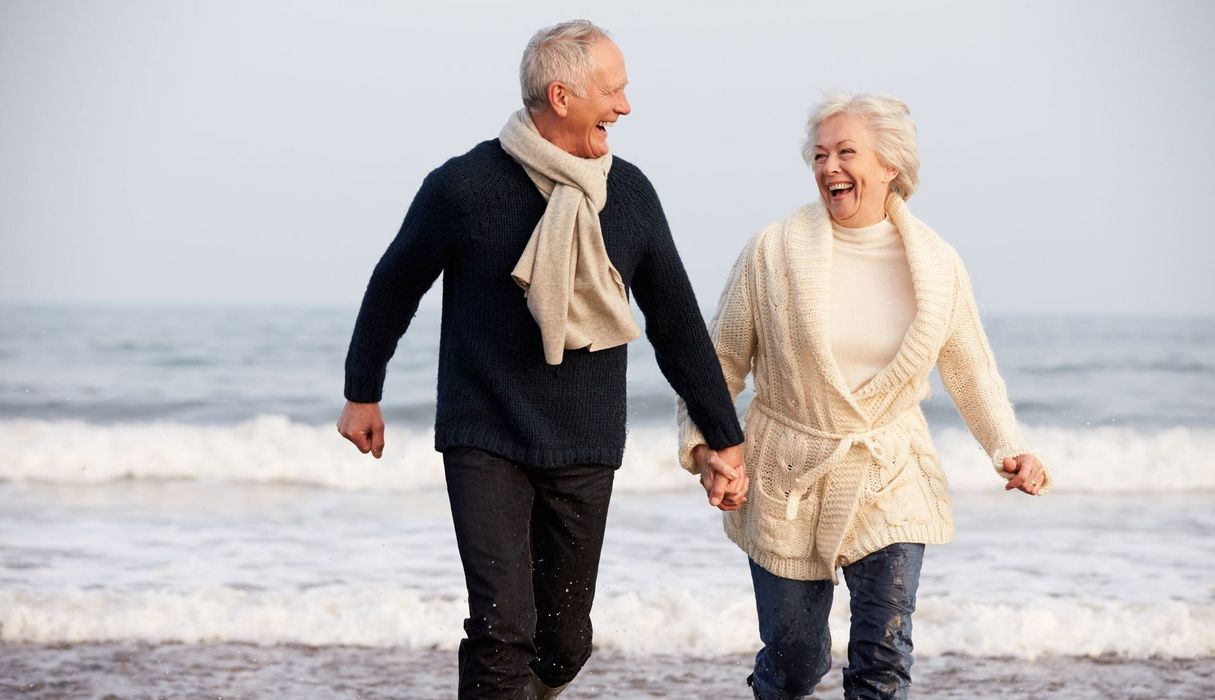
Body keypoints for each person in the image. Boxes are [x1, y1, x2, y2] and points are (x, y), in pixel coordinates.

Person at [338, 20, 747, 700]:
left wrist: (725, 439)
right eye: (613, 91)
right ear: (562, 96)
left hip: (583, 441)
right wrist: (363, 389)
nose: (625, 106)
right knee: (502, 632)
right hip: (484, 432)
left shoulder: (631, 195)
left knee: (562, 644)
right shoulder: (464, 187)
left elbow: (675, 325)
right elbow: (396, 282)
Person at [676, 92, 1052, 700]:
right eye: (819, 155)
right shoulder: (772, 251)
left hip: (890, 468)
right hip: (788, 474)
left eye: (846, 152)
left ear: (890, 166)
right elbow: (719, 363)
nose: (829, 168)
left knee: (883, 656)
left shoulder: (936, 264)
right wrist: (707, 449)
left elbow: (972, 370)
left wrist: (1009, 448)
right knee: (796, 661)